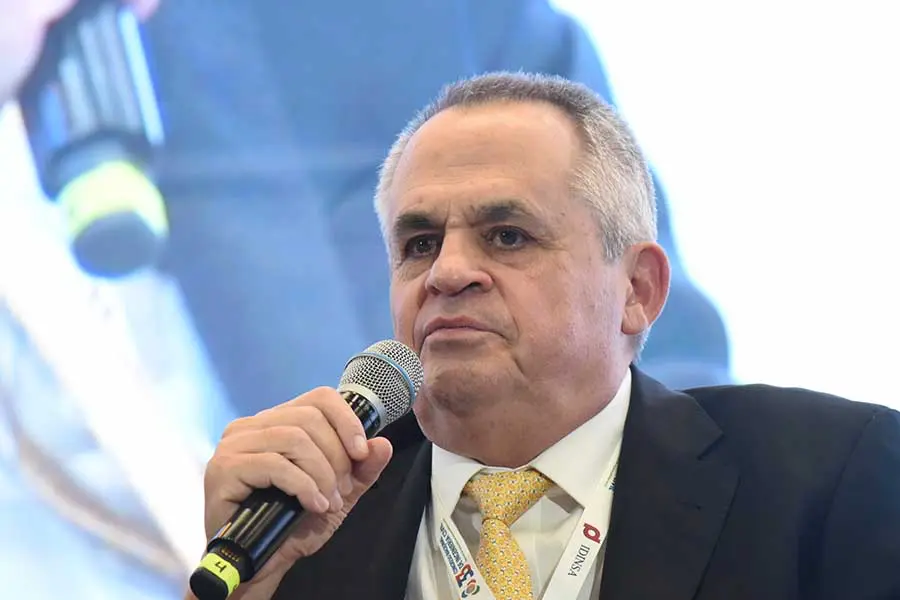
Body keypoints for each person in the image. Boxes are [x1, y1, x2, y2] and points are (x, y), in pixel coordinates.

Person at [192, 72, 900, 600]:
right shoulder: (308, 523)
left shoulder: (824, 481)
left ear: (637, 290)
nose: (447, 272)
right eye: (419, 243)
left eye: (507, 235)